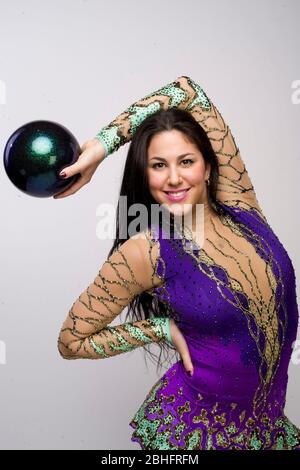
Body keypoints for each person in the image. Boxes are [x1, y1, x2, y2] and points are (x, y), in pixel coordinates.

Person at [56, 75, 300, 450]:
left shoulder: (242, 203)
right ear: (145, 174)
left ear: (207, 165)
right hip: (194, 434)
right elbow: (71, 342)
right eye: (158, 165)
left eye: (186, 161)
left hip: (267, 432)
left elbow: (187, 91)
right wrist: (159, 329)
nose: (173, 178)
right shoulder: (145, 251)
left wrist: (101, 146)